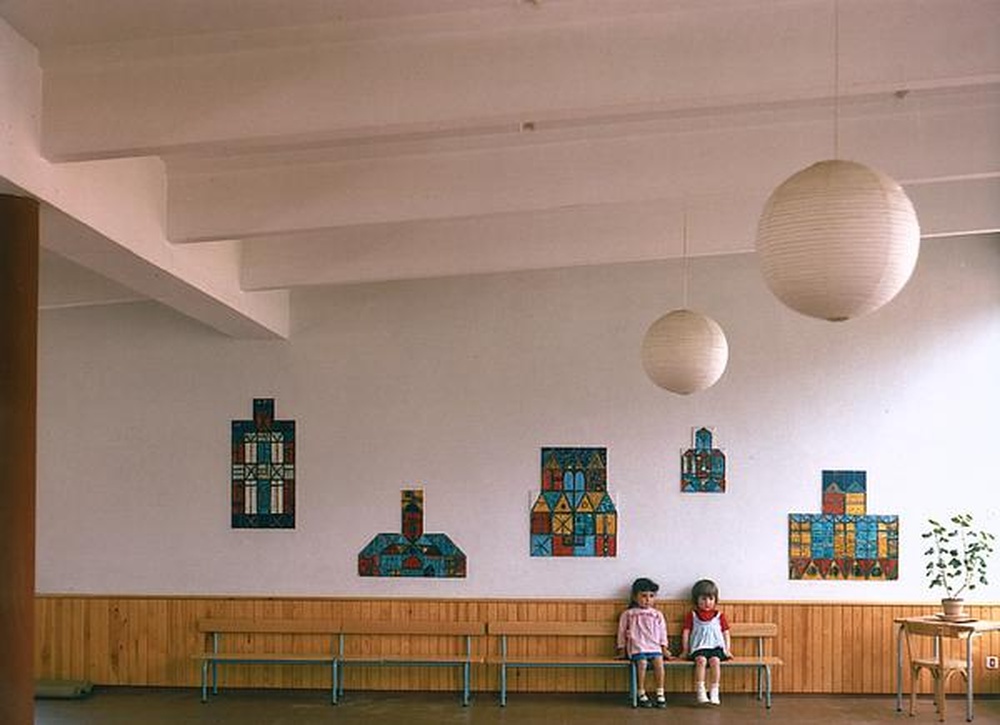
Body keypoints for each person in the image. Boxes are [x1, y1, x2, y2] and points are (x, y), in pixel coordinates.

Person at [617, 577, 671, 708]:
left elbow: (663, 632)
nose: (648, 599)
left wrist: (664, 648)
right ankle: (641, 692)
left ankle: (660, 692)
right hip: (637, 647)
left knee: (659, 663)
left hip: (654, 647)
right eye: (644, 596)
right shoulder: (629, 614)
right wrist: (622, 649)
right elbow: (621, 632)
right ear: (635, 597)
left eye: (651, 596)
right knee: (642, 663)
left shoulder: (657, 614)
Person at [679, 578, 732, 705]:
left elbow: (726, 633)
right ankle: (701, 690)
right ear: (696, 600)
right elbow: (686, 632)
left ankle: (714, 690)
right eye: (703, 599)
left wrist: (727, 649)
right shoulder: (692, 615)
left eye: (711, 599)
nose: (707, 602)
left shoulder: (719, 615)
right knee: (701, 661)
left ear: (715, 600)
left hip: (716, 647)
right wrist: (685, 650)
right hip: (699, 647)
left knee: (715, 661)